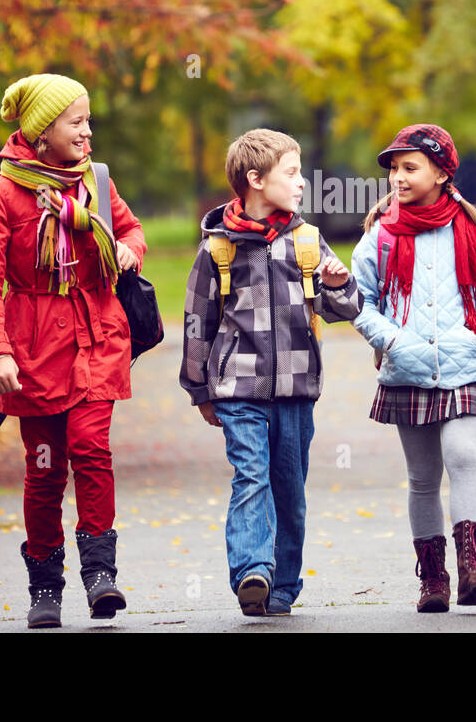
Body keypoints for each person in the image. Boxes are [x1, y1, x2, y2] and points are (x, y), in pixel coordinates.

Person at [0, 73, 147, 629]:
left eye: (88, 121)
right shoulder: (3, 195)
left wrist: (126, 249)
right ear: (42, 132)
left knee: (92, 451)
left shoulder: (96, 181)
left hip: (97, 337)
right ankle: (45, 586)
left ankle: (100, 576)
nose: (88, 132)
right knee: (44, 469)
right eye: (77, 122)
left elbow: (134, 232)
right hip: (35, 348)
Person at [179, 128, 363, 617]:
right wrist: (200, 389)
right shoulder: (218, 249)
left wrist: (340, 286)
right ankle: (251, 572)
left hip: (297, 389)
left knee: (290, 488)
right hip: (238, 387)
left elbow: (345, 307)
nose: (302, 182)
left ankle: (281, 585)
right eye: (291, 172)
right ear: (255, 180)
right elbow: (198, 321)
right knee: (251, 477)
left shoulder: (307, 242)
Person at [350, 125, 476, 612]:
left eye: (410, 168)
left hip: (464, 366)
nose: (398, 178)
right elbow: (356, 301)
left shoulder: (475, 230)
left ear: (442, 172)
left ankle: (473, 567)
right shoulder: (380, 235)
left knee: (463, 456)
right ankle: (433, 580)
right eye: (393, 170)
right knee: (423, 477)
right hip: (406, 370)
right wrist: (389, 339)